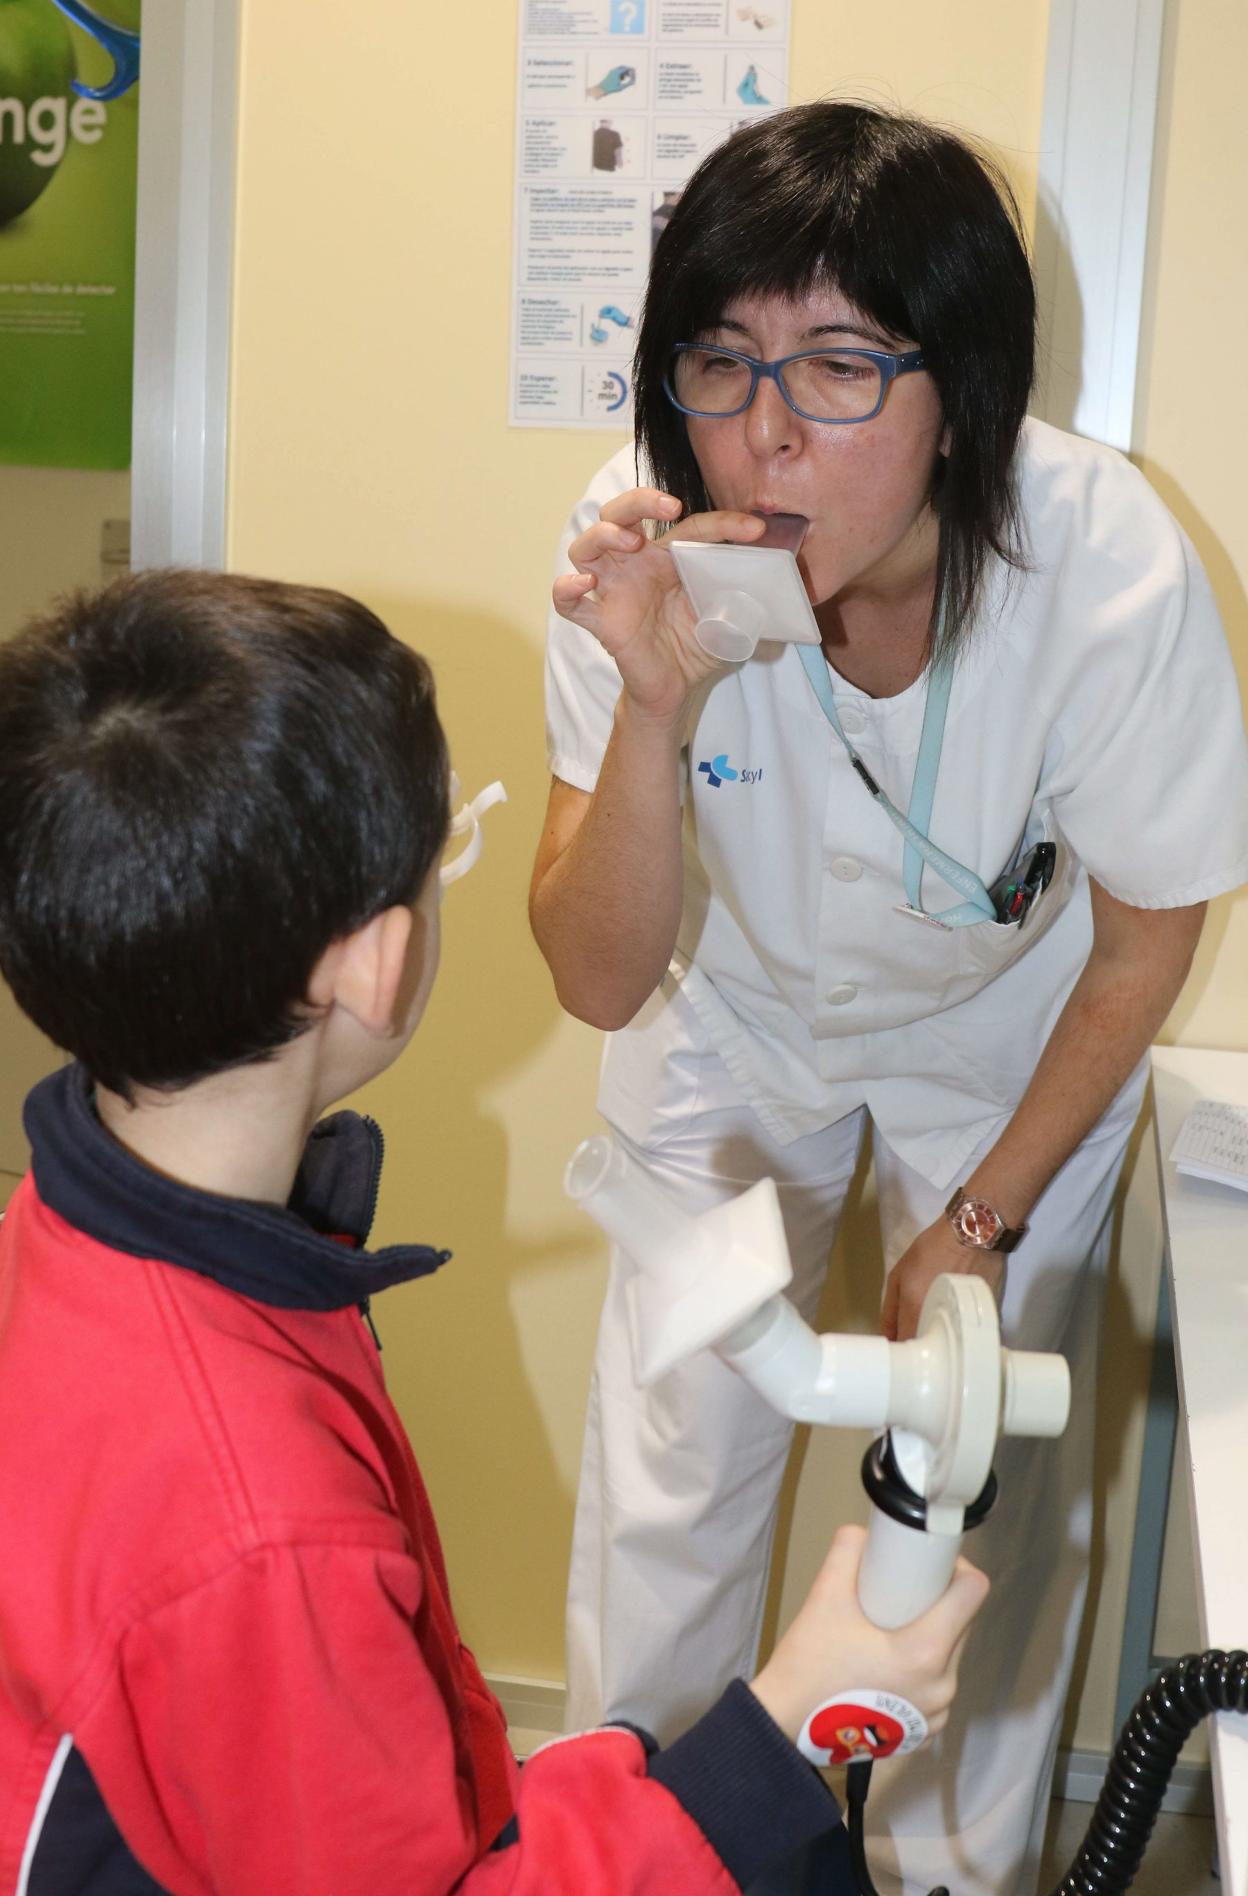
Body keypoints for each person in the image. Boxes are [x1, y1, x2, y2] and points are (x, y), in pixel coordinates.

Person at [0, 569, 989, 1895]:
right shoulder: (262, 1524)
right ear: (379, 961)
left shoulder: (70, 1235)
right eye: (449, 852)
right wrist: (784, 1728)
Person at [529, 102, 1248, 1895]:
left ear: (964, 396)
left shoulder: (1105, 568)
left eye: (843, 367)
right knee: (673, 1476)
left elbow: (1152, 928)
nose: (766, 431)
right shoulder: (636, 561)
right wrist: (651, 703)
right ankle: (647, 1858)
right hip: (727, 1013)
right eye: (721, 361)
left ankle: (949, 1873)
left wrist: (982, 1212)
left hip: (1017, 1026)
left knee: (968, 1475)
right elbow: (598, 971)